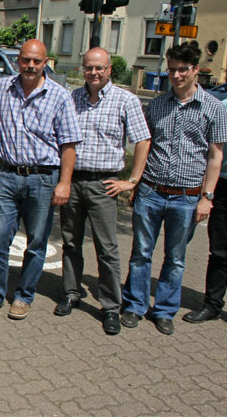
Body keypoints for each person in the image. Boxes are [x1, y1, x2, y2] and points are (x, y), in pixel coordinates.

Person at [0, 39, 82, 320]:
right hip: (8, 176)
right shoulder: (3, 87)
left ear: (45, 62)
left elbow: (69, 145)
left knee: (36, 242)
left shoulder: (59, 96)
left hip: (43, 179)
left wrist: (64, 183)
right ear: (18, 60)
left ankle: (24, 296)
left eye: (36, 61)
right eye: (25, 60)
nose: (30, 66)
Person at [121, 42, 227, 335]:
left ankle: (165, 310)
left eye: (183, 70)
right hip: (152, 191)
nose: (177, 76)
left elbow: (215, 156)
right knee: (141, 252)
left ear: (196, 70)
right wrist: (136, 182)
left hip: (187, 197)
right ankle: (134, 305)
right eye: (172, 70)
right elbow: (146, 146)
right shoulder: (157, 104)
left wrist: (207, 197)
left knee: (176, 258)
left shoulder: (214, 108)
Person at [54, 47, 151, 335]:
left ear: (109, 69)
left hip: (104, 185)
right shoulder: (72, 98)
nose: (93, 73)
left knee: (107, 249)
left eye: (99, 68)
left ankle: (110, 306)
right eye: (88, 67)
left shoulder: (126, 100)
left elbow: (142, 140)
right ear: (82, 69)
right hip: (73, 180)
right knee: (71, 242)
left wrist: (132, 181)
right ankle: (72, 292)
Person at [182, 78, 227, 341]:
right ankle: (211, 305)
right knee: (219, 252)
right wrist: (206, 194)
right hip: (225, 190)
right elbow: (214, 152)